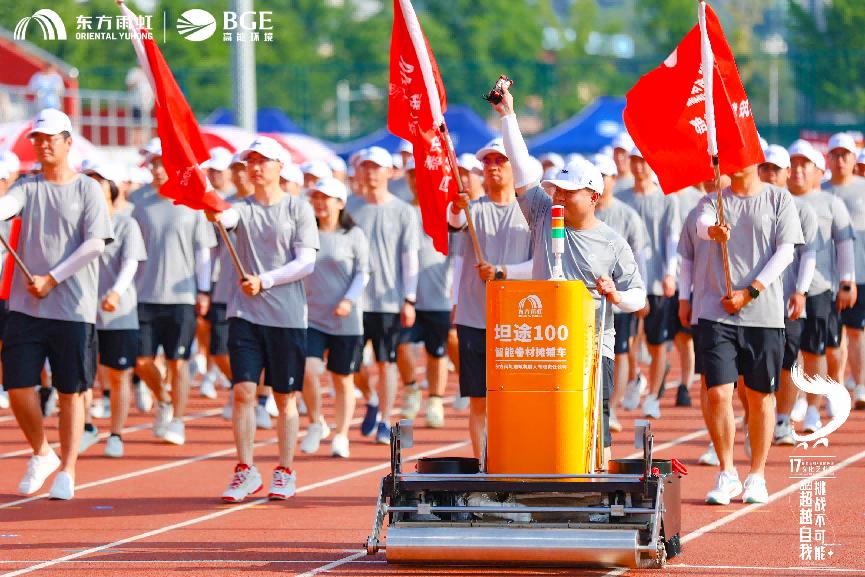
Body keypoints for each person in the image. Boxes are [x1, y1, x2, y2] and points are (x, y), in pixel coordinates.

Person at [487, 88, 645, 464]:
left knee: (595, 421)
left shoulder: (612, 243)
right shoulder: (544, 215)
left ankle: (600, 489)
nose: (559, 197)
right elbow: (524, 170)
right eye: (557, 189)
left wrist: (616, 296)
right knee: (543, 421)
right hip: (543, 345)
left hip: (591, 348)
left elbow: (639, 295)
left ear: (593, 195)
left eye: (569, 192)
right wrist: (508, 114)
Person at [0, 109, 113, 499]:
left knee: (70, 391)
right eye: (38, 138)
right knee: (17, 386)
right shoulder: (28, 187)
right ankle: (41, 452)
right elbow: (7, 206)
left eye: (51, 137)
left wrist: (53, 277)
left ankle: (68, 467)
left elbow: (96, 243)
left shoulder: (88, 189)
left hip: (72, 307)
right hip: (26, 307)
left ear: (68, 141)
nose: (43, 143)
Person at [209, 136, 319, 503]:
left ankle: (284, 469)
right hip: (245, 313)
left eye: (262, 161)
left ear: (279, 167)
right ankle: (245, 469)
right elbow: (225, 216)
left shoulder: (297, 209)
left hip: (287, 317)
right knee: (243, 391)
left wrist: (266, 280)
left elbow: (307, 262)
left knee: (286, 397)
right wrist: (211, 208)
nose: (255, 167)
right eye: (250, 161)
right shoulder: (241, 208)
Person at [695, 163, 803, 505]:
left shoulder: (778, 199)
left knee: (759, 398)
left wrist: (751, 291)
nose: (733, 161)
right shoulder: (715, 200)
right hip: (717, 310)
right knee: (718, 393)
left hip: (763, 314)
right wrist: (714, 231)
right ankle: (727, 472)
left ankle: (756, 474)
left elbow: (786, 251)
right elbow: (701, 226)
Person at [447, 135, 534, 460]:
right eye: (488, 162)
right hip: (475, 318)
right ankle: (484, 463)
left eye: (501, 161)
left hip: (518, 324)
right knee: (479, 399)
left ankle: (516, 458)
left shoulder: (529, 213)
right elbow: (454, 223)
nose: (494, 168)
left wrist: (501, 271)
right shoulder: (472, 210)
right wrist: (456, 207)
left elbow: (540, 265)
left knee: (514, 398)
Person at [132, 143, 216, 446]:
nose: (155, 169)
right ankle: (164, 398)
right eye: (152, 163)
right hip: (142, 295)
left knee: (178, 362)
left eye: (161, 163)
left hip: (181, 297)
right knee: (141, 361)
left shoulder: (191, 203)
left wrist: (204, 290)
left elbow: (203, 251)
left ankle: (178, 420)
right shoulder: (136, 201)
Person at [346, 146, 419, 444]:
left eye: (377, 167)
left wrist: (409, 299)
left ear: (390, 172)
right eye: (366, 167)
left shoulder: (404, 211)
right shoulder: (349, 208)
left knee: (386, 361)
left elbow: (409, 258)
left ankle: (385, 419)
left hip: (389, 299)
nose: (371, 173)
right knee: (350, 364)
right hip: (353, 299)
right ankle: (371, 398)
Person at [787, 140, 856, 431]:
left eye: (805, 164)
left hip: (818, 289)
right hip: (781, 292)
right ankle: (791, 404)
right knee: (787, 354)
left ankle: (813, 408)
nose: (798, 170)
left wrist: (846, 281)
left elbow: (844, 244)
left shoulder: (831, 202)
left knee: (815, 351)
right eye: (794, 164)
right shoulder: (779, 199)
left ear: (817, 170)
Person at [83, 163, 147, 458]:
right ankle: (85, 427)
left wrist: (116, 292)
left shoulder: (125, 224)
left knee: (120, 374)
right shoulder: (78, 224)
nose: (93, 187)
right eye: (88, 182)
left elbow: (130, 262)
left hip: (118, 311)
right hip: (81, 311)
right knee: (81, 375)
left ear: (111, 188)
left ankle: (117, 434)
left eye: (99, 181)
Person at [302, 177, 368, 457]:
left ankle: (341, 434)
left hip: (345, 319)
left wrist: (348, 300)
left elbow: (363, 273)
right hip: (312, 317)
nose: (319, 202)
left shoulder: (353, 236)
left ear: (340, 203)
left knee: (342, 379)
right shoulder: (306, 234)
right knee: (308, 370)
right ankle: (316, 422)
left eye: (325, 197)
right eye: (315, 197)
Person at [759, 145, 818, 446]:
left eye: (775, 169)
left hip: (787, 301)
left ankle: (782, 419)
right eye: (765, 168)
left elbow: (808, 255)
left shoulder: (802, 209)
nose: (769, 174)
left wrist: (801, 291)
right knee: (755, 367)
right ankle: (755, 418)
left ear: (785, 174)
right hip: (755, 304)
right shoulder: (748, 205)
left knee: (789, 361)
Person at [620, 148, 680, 420]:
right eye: (635, 160)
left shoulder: (666, 199)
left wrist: (670, 273)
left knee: (657, 344)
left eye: (644, 160)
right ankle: (635, 379)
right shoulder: (622, 198)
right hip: (625, 282)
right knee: (628, 340)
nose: (639, 166)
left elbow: (672, 239)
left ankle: (654, 395)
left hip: (655, 282)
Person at [592, 153, 649, 433]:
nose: (600, 182)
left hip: (619, 299)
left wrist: (642, 293)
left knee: (621, 351)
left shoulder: (627, 215)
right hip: (589, 302)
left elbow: (640, 257)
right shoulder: (581, 212)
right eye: (596, 176)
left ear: (614, 179)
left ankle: (611, 408)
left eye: (605, 176)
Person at [397, 158, 453, 428]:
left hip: (439, 294)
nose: (416, 180)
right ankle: (410, 388)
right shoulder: (402, 211)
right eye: (412, 175)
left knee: (437, 352)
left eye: (421, 174)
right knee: (402, 345)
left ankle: (435, 400)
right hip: (406, 297)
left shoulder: (446, 212)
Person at [823, 133, 865, 409]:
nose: (840, 160)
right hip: (826, 278)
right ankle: (835, 390)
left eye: (845, 155)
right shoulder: (821, 190)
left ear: (853, 159)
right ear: (828, 158)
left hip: (860, 274)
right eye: (835, 155)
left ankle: (860, 386)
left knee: (856, 332)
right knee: (831, 339)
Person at [126, 65, 154, 147]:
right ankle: (134, 144)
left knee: (145, 125)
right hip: (136, 104)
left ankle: (143, 143)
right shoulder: (135, 72)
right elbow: (129, 85)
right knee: (136, 125)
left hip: (147, 105)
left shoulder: (149, 73)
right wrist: (137, 81)